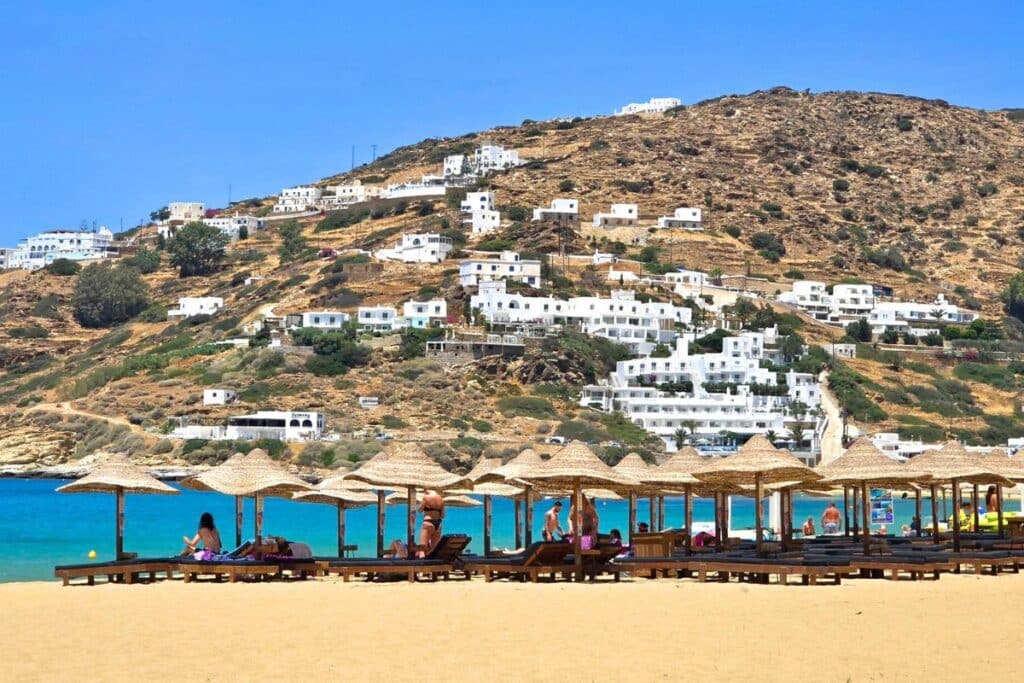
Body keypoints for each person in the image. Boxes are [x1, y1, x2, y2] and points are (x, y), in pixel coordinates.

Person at [417, 489, 445, 558]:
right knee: (435, 550)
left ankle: (421, 564)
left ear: (426, 490)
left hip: (428, 522)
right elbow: (443, 515)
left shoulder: (426, 497)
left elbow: (420, 510)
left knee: (422, 549)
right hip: (438, 524)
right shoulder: (441, 499)